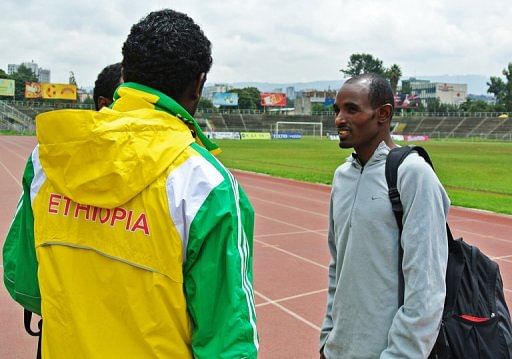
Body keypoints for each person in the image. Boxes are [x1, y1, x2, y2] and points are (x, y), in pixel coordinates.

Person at [3, 9, 258, 358]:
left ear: (124, 75)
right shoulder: (205, 184)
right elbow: (228, 342)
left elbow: (23, 280)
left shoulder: (47, 159)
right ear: (198, 84)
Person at [319, 73, 449, 358]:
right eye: (337, 110)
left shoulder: (413, 175)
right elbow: (337, 267)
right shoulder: (341, 177)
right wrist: (328, 339)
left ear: (383, 114)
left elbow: (425, 288)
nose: (340, 119)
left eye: (351, 109)